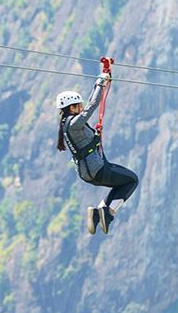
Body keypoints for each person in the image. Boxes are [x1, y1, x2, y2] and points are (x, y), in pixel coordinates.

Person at [55, 73, 138, 234]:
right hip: (97, 169)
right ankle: (108, 213)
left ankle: (97, 213)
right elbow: (92, 105)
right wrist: (100, 83)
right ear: (71, 108)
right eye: (78, 106)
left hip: (86, 172)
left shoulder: (66, 125)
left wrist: (98, 83)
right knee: (132, 180)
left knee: (120, 184)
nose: (81, 108)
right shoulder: (74, 123)